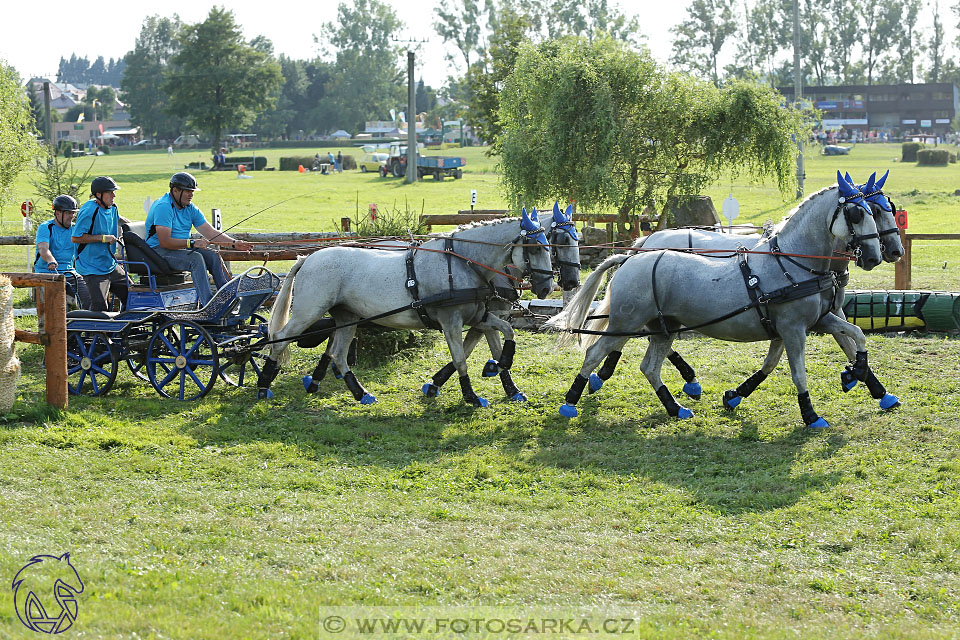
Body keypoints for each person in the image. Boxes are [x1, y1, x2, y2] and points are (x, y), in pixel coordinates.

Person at [145, 172, 253, 306]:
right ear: (175, 190)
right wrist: (192, 243)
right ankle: (207, 305)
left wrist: (234, 244)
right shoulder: (163, 207)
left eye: (192, 191)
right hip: (157, 252)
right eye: (188, 191)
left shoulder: (190, 208)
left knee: (212, 255)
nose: (191, 194)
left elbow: (210, 232)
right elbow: (165, 242)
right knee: (195, 259)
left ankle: (229, 300)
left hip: (178, 250)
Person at [72, 176, 128, 312]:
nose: (114, 195)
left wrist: (135, 226)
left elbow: (119, 219)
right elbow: (76, 237)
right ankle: (96, 333)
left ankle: (127, 329)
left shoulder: (113, 207)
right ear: (98, 195)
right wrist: (103, 238)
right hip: (91, 267)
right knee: (100, 307)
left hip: (109, 264)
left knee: (134, 295)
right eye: (110, 192)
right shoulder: (90, 210)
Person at [35, 195, 90, 309]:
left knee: (88, 299)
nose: (72, 216)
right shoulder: (46, 227)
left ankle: (83, 324)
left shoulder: (75, 229)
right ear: (58, 213)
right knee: (54, 309)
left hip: (70, 273)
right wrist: (51, 260)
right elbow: (43, 249)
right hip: (47, 273)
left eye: (73, 213)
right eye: (69, 213)